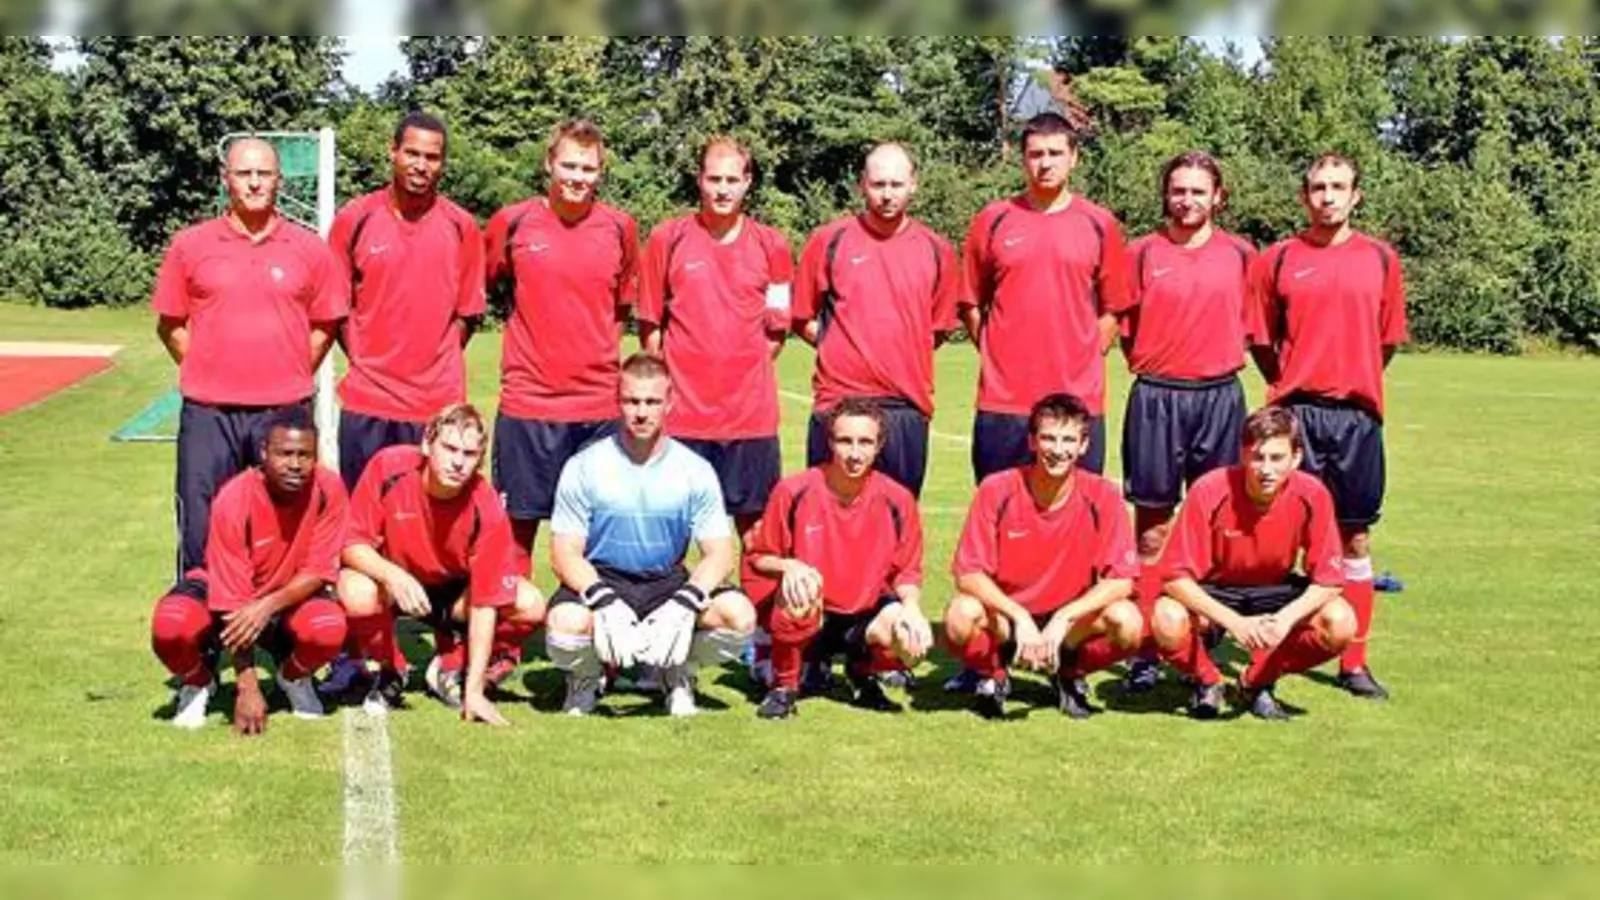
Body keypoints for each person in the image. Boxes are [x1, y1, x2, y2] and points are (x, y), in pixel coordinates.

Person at [1248, 153, 1407, 701]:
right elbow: (1261, 340)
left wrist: (1350, 382)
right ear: (1304, 196)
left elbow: (1385, 341)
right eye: (1318, 187)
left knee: (1354, 536)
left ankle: (1353, 661)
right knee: (1282, 539)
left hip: (1357, 419)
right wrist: (1294, 384)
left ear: (1356, 195)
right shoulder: (1278, 260)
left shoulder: (1381, 260)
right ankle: (1267, 662)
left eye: (1339, 187)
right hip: (1297, 415)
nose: (1328, 197)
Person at [152, 136, 348, 576]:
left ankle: (282, 631)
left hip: (283, 412)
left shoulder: (310, 249)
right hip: (209, 414)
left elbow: (325, 324)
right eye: (244, 174)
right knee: (202, 524)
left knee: (285, 525)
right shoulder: (190, 245)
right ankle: (201, 629)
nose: (255, 183)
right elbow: (171, 324)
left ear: (279, 180)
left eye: (264, 174)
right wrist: (208, 366)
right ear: (226, 180)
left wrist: (291, 369)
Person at [543, 353, 755, 717]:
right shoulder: (584, 466)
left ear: (669, 402)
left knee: (739, 616)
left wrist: (684, 603)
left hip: (666, 581)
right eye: (631, 401)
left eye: (652, 401)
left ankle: (677, 671)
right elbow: (564, 552)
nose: (641, 412)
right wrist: (603, 600)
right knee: (565, 626)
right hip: (603, 576)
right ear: (618, 401)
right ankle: (587, 677)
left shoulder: (695, 470)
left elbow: (721, 554)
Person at [1116, 151, 1258, 693]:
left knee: (1218, 526)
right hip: (1156, 395)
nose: (1188, 200)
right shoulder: (1142, 253)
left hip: (1219, 395)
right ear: (1166, 195)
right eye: (1178, 190)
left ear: (1218, 196)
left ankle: (1203, 630)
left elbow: (1253, 329)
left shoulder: (1243, 256)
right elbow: (1124, 326)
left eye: (1199, 191)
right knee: (1151, 527)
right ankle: (1148, 647)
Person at [483, 118, 640, 567]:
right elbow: (485, 284)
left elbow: (620, 308)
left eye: (588, 169)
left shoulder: (620, 229)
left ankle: (589, 635)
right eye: (569, 165)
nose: (577, 177)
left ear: (600, 172)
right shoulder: (511, 223)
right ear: (549, 164)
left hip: (597, 410)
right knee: (514, 535)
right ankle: (509, 638)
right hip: (528, 406)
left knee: (600, 536)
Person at [335, 404, 545, 725]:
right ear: (426, 444)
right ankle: (392, 669)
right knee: (355, 590)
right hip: (394, 585)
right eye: (449, 448)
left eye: (469, 453)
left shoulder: (485, 505)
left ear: (480, 460)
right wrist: (393, 576)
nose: (458, 462)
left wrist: (474, 692)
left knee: (530, 604)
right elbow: (351, 544)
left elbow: (487, 601)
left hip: (453, 595)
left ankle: (452, 664)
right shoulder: (388, 468)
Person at [1146, 406, 1358, 720]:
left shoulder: (1313, 494)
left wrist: (1285, 619)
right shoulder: (1210, 489)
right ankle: (1209, 681)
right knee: (1166, 618)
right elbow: (1174, 577)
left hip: (1276, 588)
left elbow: (1328, 580)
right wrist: (1234, 623)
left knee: (1341, 623)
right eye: (1258, 457)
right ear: (1243, 455)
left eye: (1277, 458)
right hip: (1217, 590)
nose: (1266, 469)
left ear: (1296, 457)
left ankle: (1255, 681)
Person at [149, 407, 349, 734]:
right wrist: (247, 686)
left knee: (328, 627)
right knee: (171, 626)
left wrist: (267, 606)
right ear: (262, 453)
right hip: (225, 591)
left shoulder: (329, 489)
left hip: (284, 596)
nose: (296, 464)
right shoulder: (234, 498)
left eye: (305, 455)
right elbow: (232, 601)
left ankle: (292, 677)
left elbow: (319, 570)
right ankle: (199, 683)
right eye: (284, 454)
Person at [943, 393, 1142, 720]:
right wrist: (1019, 616)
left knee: (1129, 622)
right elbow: (968, 574)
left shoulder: (1103, 495)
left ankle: (1069, 673)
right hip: (1009, 620)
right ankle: (994, 673)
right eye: (1048, 438)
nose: (1058, 449)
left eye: (1068, 440)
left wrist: (1064, 618)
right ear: (1033, 441)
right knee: (959, 616)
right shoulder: (997, 489)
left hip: (1070, 624)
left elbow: (1121, 580)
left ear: (1084, 445)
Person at [959, 111, 1131, 483]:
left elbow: (1115, 307)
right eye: (1036, 154)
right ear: (1023, 158)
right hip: (1004, 402)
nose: (1045, 163)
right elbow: (971, 302)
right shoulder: (993, 220)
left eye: (1055, 153)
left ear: (1074, 158)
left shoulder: (1100, 224)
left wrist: (1085, 352)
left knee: (1076, 521)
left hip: (1076, 401)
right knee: (1000, 517)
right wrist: (995, 350)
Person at [637, 135, 794, 542]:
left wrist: (741, 371)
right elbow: (651, 325)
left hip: (750, 420)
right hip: (682, 419)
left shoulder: (772, 245)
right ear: (699, 180)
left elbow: (776, 331)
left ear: (748, 182)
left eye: (732, 179)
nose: (722, 189)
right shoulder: (666, 239)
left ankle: (753, 610)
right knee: (668, 534)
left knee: (757, 534)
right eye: (713, 179)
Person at [741, 398, 933, 720]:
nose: (855, 453)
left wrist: (912, 610)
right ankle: (784, 687)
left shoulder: (898, 499)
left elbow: (907, 571)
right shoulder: (794, 491)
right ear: (830, 442)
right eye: (845, 441)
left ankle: (863, 673)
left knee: (909, 639)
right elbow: (758, 556)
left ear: (879, 445)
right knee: (799, 588)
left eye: (865, 442)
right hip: (811, 609)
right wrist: (789, 565)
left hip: (864, 611)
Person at [327, 110, 485, 491]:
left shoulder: (462, 227)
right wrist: (368, 359)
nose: (421, 165)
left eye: (431, 157)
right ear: (393, 152)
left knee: (429, 529)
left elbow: (468, 317)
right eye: (412, 153)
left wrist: (431, 363)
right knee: (361, 530)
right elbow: (336, 307)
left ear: (442, 163)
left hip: (436, 406)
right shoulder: (355, 219)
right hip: (368, 402)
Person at [790, 141, 959, 499]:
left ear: (914, 184)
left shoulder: (937, 250)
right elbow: (802, 316)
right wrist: (840, 346)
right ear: (862, 185)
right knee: (826, 519)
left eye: (896, 185)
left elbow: (938, 329)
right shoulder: (828, 241)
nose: (886, 194)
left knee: (896, 522)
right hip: (837, 401)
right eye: (878, 184)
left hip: (905, 406)